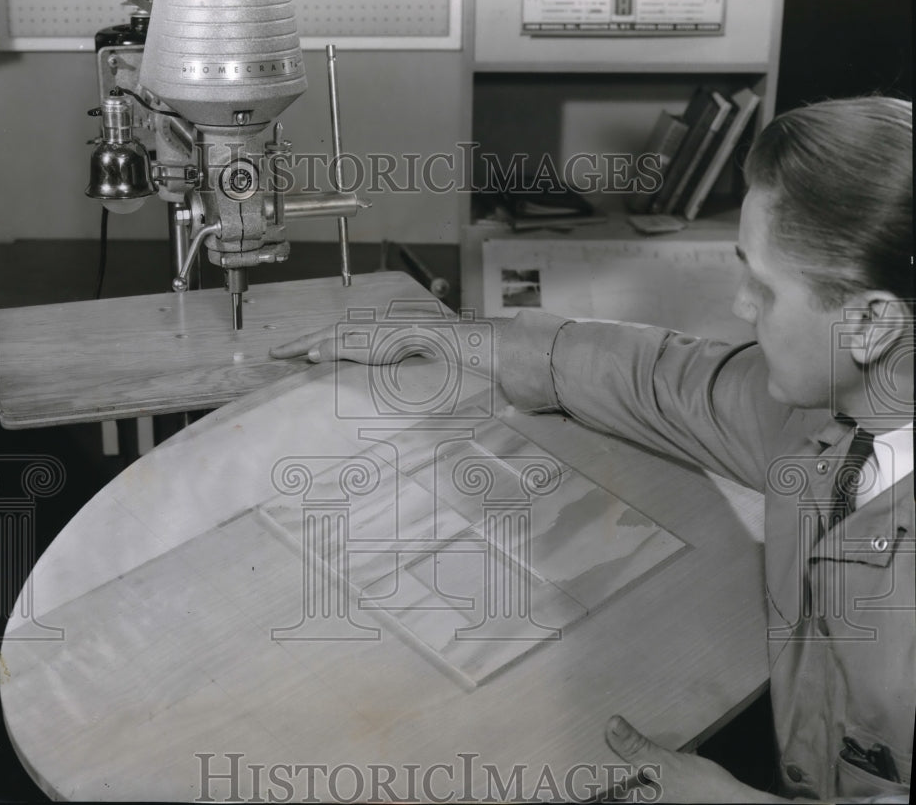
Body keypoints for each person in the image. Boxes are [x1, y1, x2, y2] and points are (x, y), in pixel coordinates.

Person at [271, 96, 913, 802]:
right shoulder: (819, 414)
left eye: (762, 286)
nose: (740, 307)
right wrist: (455, 339)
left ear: (872, 321)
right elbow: (655, 376)